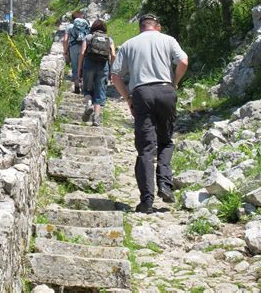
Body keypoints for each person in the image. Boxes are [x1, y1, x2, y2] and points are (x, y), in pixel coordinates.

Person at [111, 14, 188, 214]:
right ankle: (165, 184)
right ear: (158, 27)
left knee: (145, 148)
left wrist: (127, 98)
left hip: (141, 93)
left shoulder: (129, 44)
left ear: (141, 28)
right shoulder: (168, 40)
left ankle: (146, 201)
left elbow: (115, 75)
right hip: (166, 91)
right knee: (166, 141)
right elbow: (184, 61)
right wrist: (174, 82)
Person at [78, 19, 116, 126]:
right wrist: (112, 71)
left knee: (87, 89)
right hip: (103, 66)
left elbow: (82, 53)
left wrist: (79, 69)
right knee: (100, 91)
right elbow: (113, 55)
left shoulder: (88, 37)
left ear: (93, 28)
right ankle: (96, 118)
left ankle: (89, 105)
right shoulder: (109, 39)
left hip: (89, 64)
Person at [63, 11, 90, 94]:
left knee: (75, 66)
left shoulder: (70, 26)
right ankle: (84, 86)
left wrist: (66, 51)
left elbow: (65, 40)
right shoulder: (86, 25)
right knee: (83, 65)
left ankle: (77, 86)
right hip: (84, 46)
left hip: (73, 47)